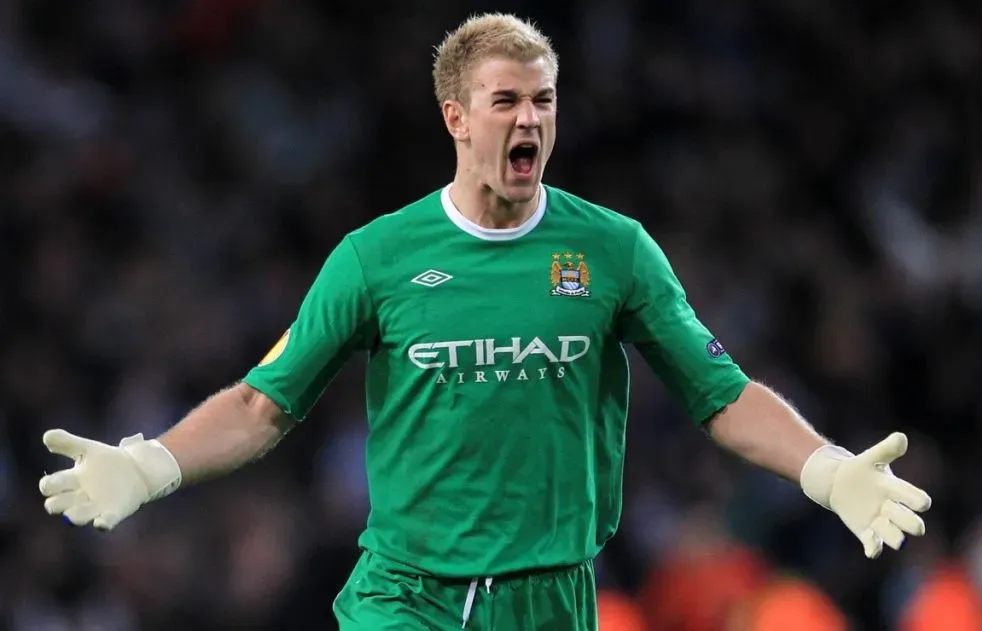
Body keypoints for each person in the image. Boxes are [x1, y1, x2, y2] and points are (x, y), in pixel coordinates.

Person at [37, 13, 932, 631]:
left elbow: (721, 394)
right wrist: (151, 462)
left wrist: (824, 467)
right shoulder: (377, 257)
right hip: (406, 596)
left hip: (553, 599)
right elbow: (264, 404)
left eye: (543, 100)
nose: (530, 119)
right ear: (456, 117)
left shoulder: (613, 250)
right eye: (506, 101)